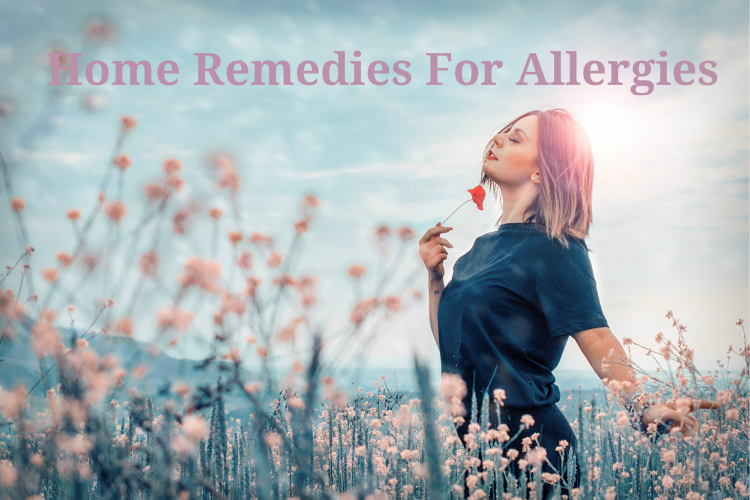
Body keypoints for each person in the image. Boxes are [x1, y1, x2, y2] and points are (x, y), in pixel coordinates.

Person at [418, 108, 718, 499]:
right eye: (502, 132)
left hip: (538, 452)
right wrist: (435, 278)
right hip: (481, 457)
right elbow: (452, 346)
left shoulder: (556, 246)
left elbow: (594, 334)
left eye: (516, 138)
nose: (497, 140)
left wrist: (642, 407)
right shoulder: (478, 251)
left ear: (541, 172)